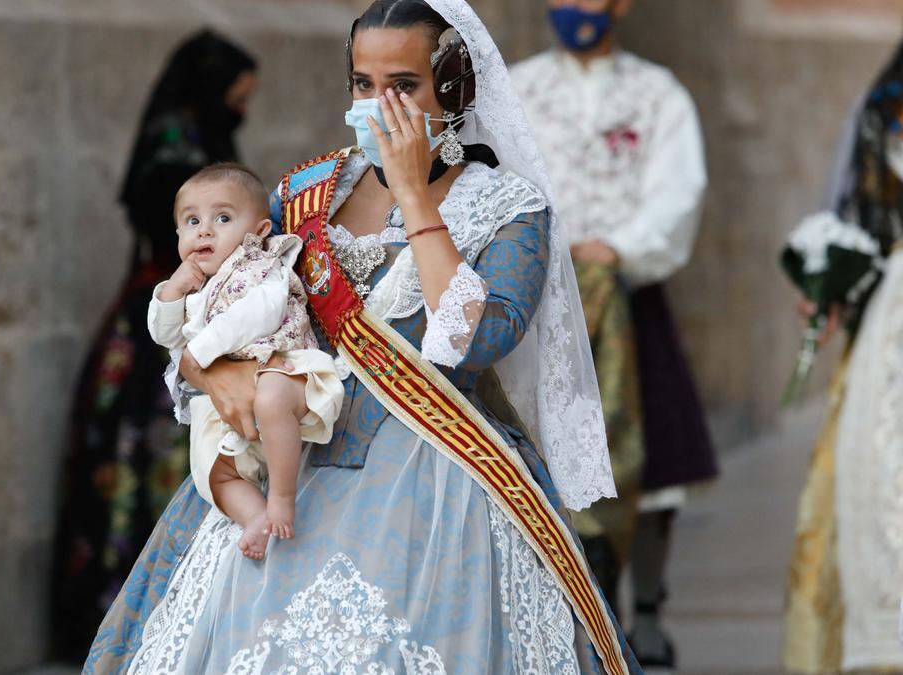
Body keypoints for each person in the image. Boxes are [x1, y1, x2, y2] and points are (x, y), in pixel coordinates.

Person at [81, 1, 644, 673]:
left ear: (454, 90)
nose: (380, 105)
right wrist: (213, 374)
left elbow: (474, 339)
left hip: (436, 481)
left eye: (404, 86)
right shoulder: (303, 193)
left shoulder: (510, 209)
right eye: (362, 84)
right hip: (290, 462)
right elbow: (214, 307)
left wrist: (412, 194)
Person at [512, 0, 718, 667]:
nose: (576, 8)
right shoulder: (515, 88)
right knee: (551, 454)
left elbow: (678, 191)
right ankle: (579, 607)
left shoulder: (657, 94)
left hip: (629, 294)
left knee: (655, 459)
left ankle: (649, 606)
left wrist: (623, 247)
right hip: (540, 304)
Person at [48, 30, 257, 661]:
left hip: (211, 316)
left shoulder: (200, 145)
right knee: (155, 456)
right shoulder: (174, 160)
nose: (242, 111)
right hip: (174, 316)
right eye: (237, 98)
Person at [147, 163, 342, 560]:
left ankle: (282, 499)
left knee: (271, 398)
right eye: (192, 221)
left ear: (258, 232)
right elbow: (163, 335)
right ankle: (255, 517)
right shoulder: (191, 283)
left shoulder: (260, 266)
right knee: (216, 476)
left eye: (222, 218)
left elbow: (261, 313)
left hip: (281, 367)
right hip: (227, 402)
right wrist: (171, 292)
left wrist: (199, 356)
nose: (205, 230)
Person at [782, 41, 903, 675]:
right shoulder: (884, 103)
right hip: (895, 319)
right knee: (878, 478)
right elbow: (858, 215)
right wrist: (831, 286)